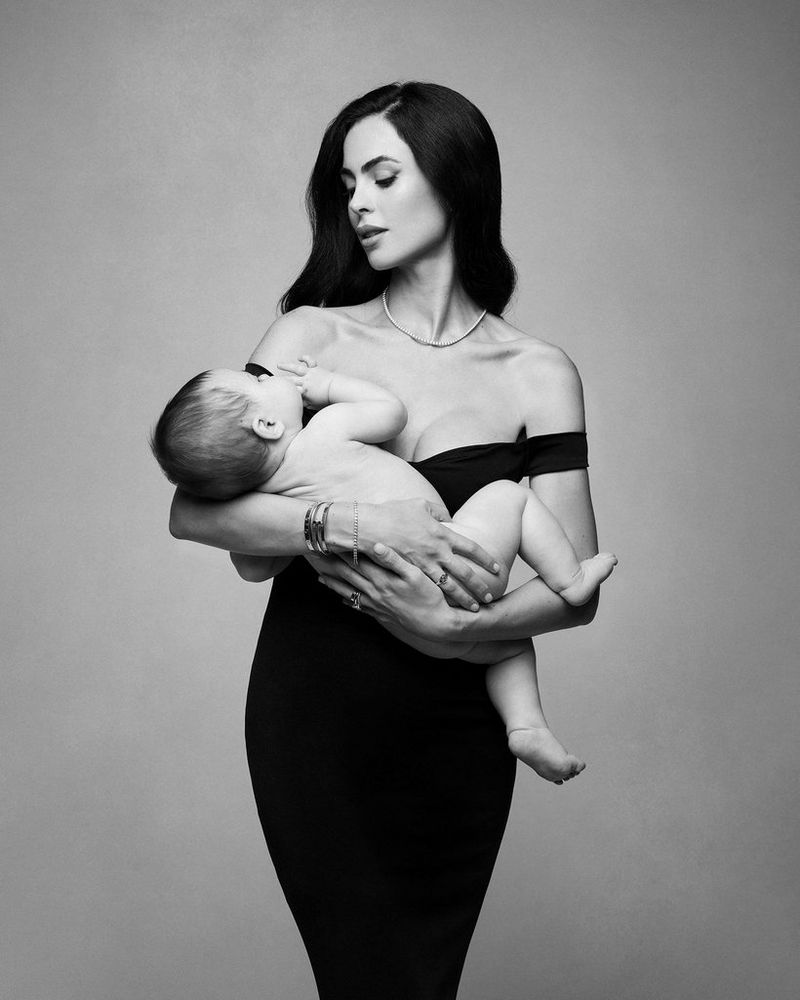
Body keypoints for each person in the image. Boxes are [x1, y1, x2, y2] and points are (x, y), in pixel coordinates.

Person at [168, 82, 608, 1000]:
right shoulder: (306, 337)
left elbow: (580, 585)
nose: (356, 203)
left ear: (455, 180)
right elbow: (198, 512)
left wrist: (445, 635)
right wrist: (351, 520)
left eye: (381, 175)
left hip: (461, 727)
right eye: (346, 183)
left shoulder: (540, 372)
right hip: (317, 714)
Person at [153, 357, 617, 782]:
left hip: (402, 623)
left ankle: (526, 728)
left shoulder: (272, 506)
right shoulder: (325, 431)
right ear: (268, 424)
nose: (267, 375)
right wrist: (325, 384)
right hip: (463, 566)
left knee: (507, 649)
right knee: (508, 495)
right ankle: (570, 581)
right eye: (256, 380)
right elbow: (391, 411)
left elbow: (253, 567)